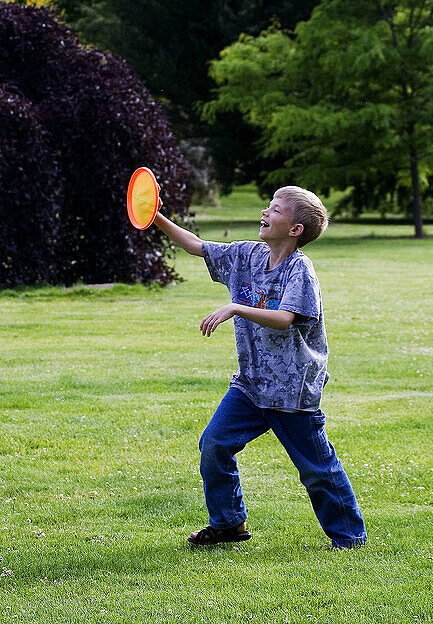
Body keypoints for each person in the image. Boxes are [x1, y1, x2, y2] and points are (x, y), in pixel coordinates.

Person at [151, 186, 366, 549]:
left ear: (295, 229)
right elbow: (196, 246)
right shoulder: (247, 255)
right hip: (251, 383)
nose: (265, 213)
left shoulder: (300, 270)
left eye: (275, 210)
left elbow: (284, 318)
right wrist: (154, 216)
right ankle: (228, 525)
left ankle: (349, 538)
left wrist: (235, 307)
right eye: (268, 206)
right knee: (215, 444)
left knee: (316, 469)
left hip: (292, 389)